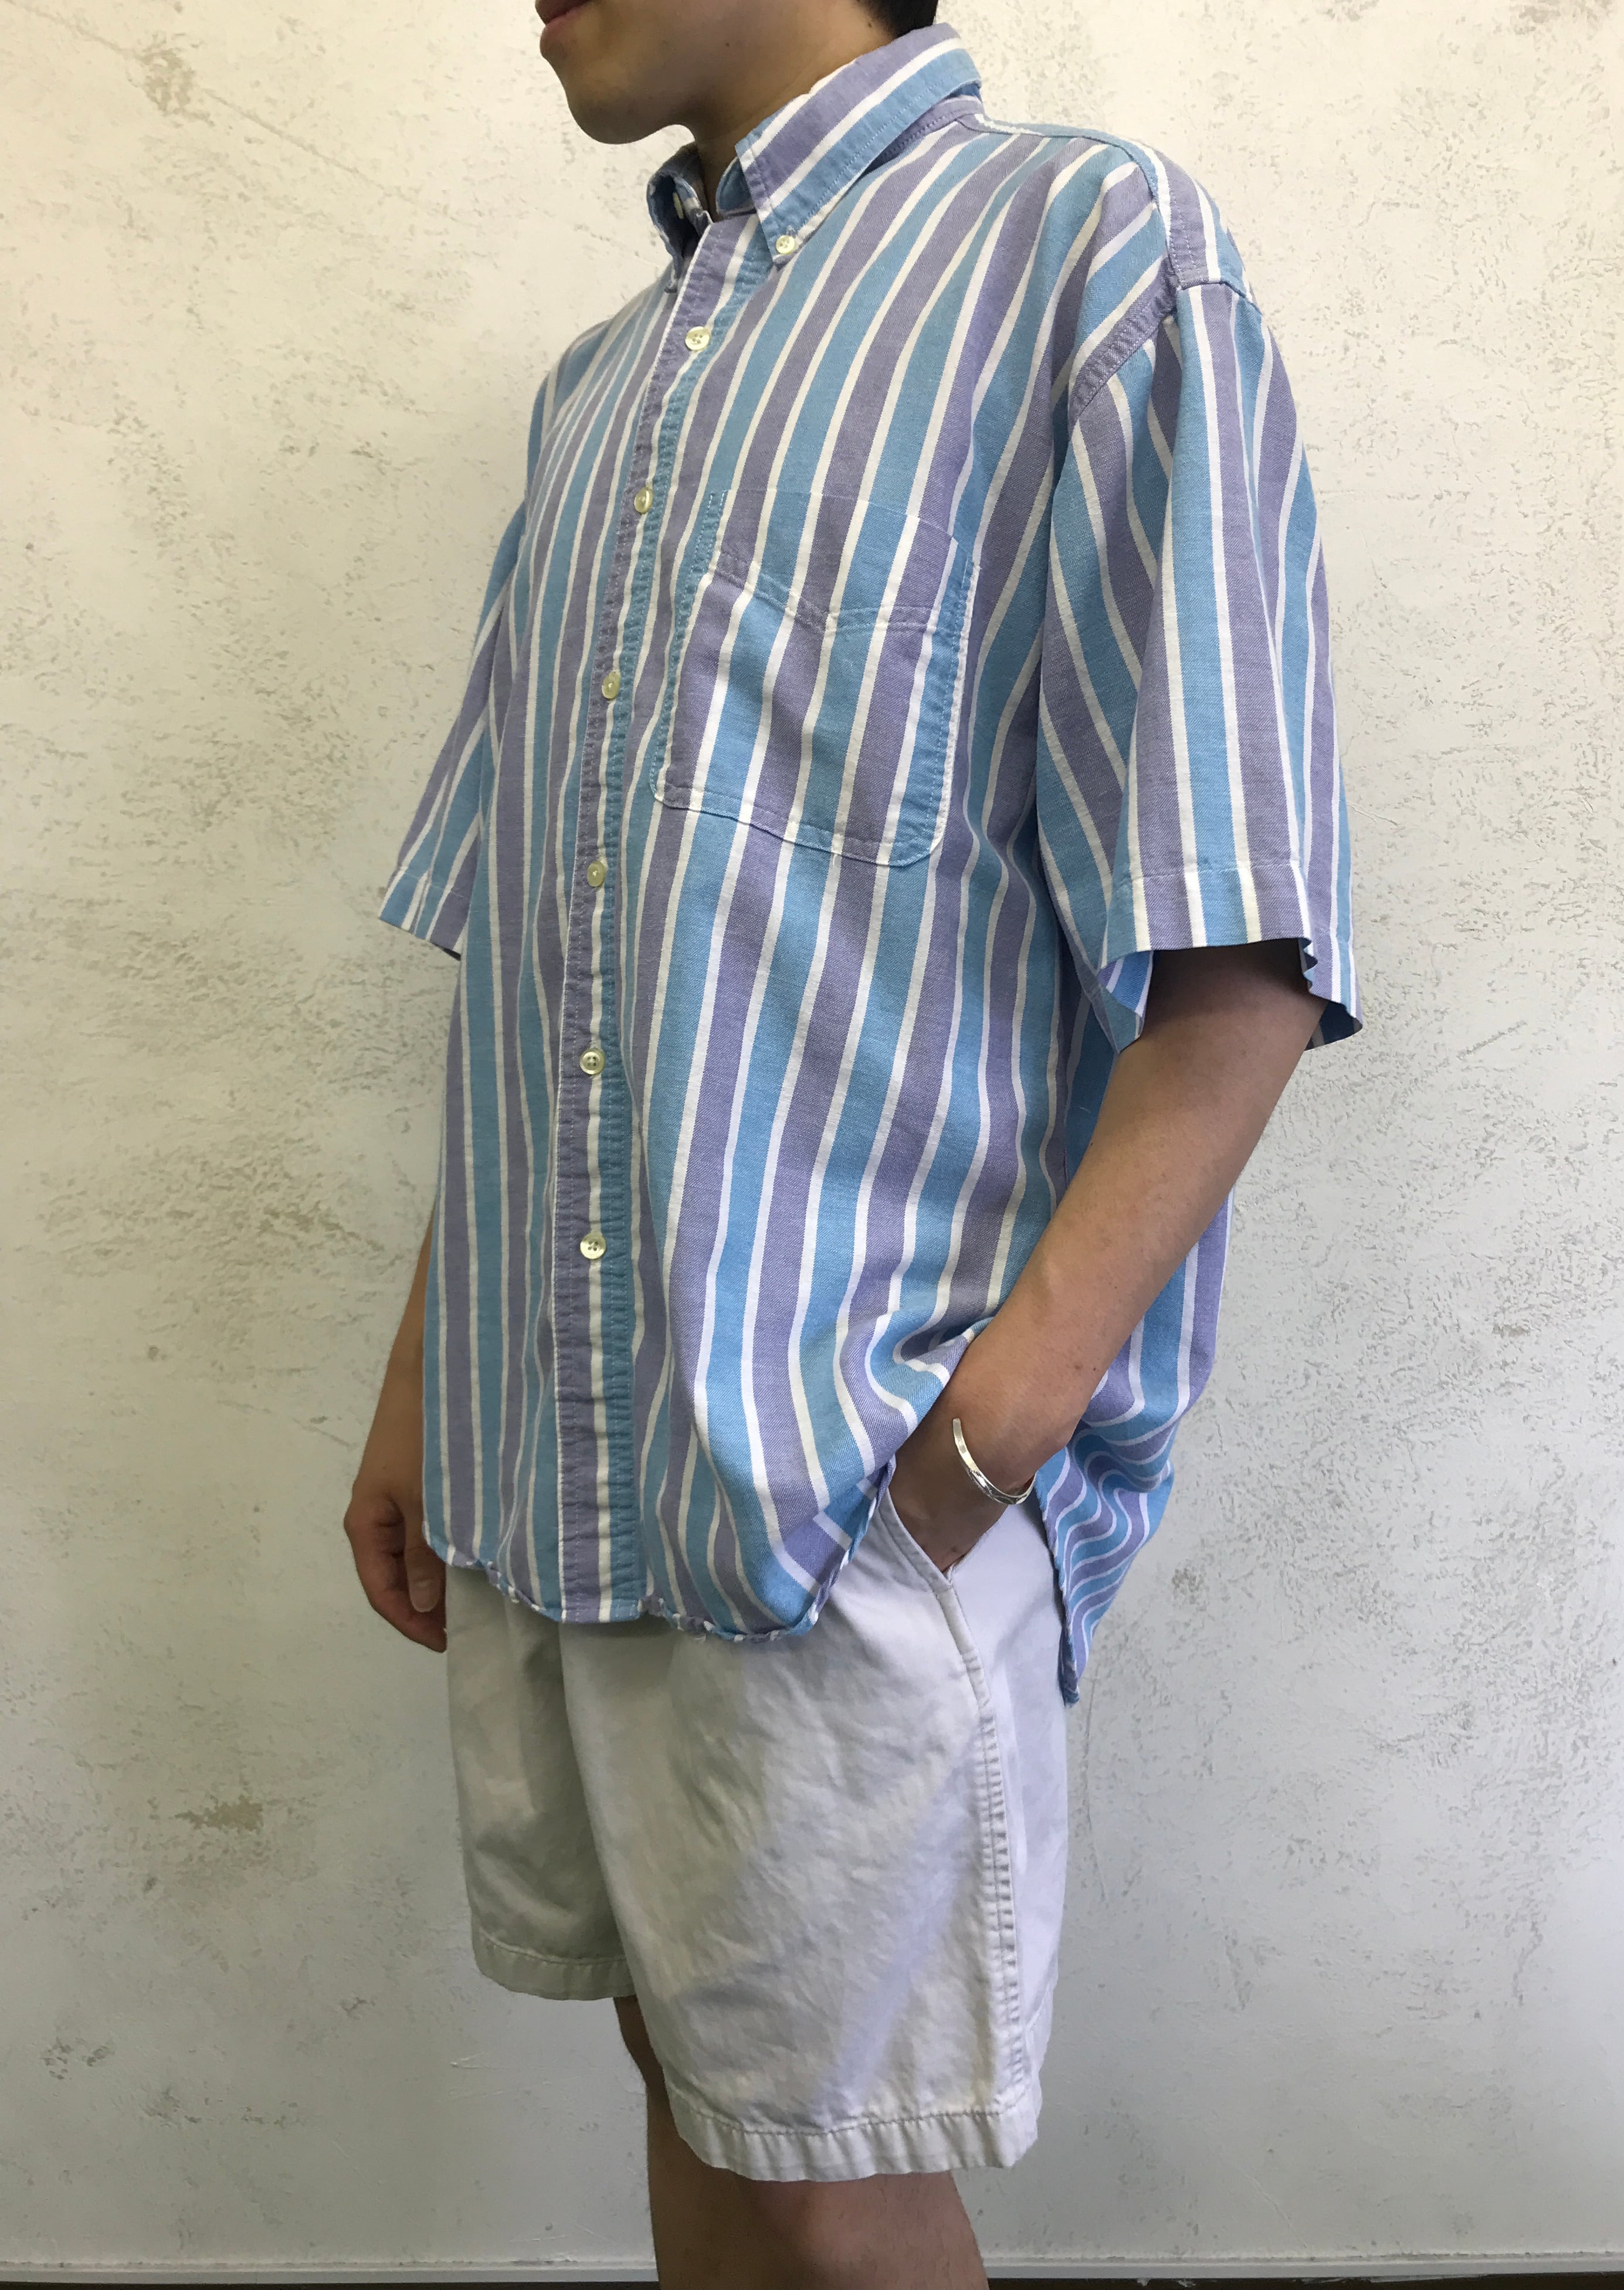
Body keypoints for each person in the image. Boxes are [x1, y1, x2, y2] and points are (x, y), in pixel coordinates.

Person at [344, 1, 1359, 2282]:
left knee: (840, 2185)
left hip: (836, 1471)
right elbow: (536, 956)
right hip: (554, 1451)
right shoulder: (597, 395)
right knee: (690, 2078)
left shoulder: (1087, 258)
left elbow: (1242, 942)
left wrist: (981, 1440)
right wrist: (427, 1377)